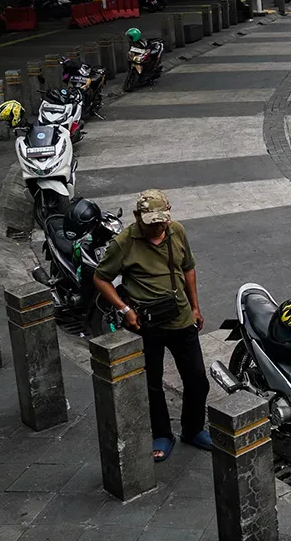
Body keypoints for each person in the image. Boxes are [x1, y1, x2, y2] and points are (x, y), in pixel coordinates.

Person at [93, 190, 210, 463]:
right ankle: (162, 433)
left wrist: (195, 306)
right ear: (137, 217)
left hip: (181, 319)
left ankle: (193, 430)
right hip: (146, 324)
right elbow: (101, 278)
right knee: (152, 383)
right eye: (152, 221)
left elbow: (189, 268)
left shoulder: (177, 231)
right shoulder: (124, 243)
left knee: (197, 380)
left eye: (162, 220)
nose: (158, 226)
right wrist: (125, 310)